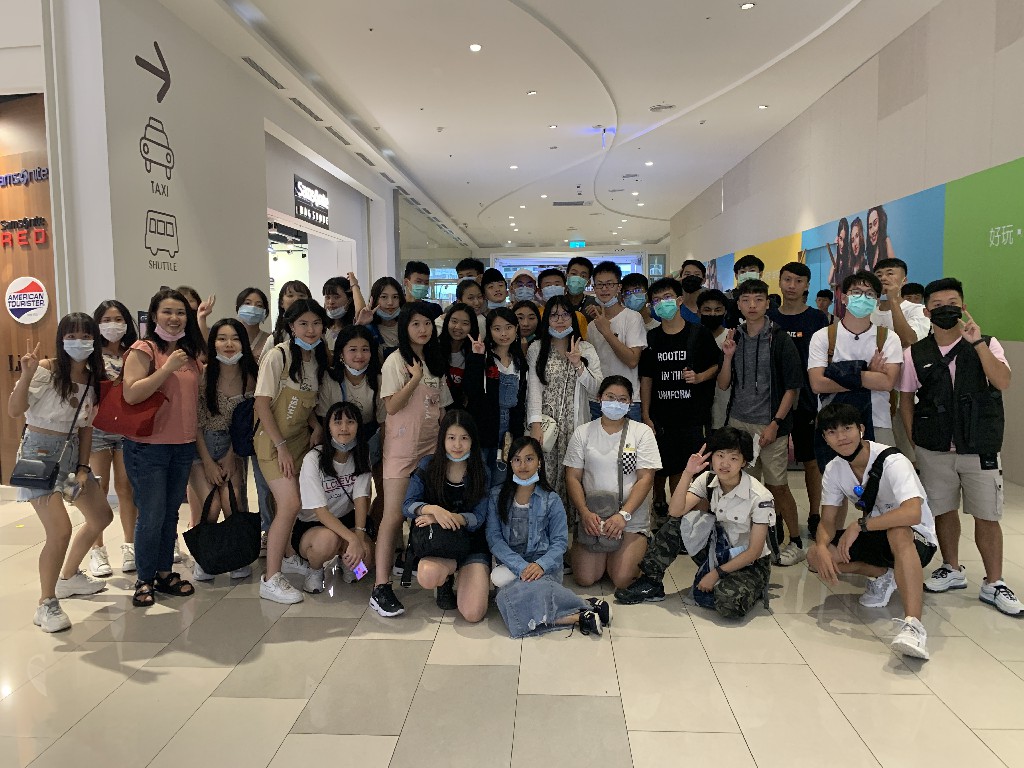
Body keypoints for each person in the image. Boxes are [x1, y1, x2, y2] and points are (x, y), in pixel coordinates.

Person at [899, 278, 1019, 616]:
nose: (945, 309)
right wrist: (916, 440)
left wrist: (976, 342)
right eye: (937, 305)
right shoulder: (915, 353)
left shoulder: (987, 343)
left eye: (952, 303)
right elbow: (906, 400)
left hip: (979, 445)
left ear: (963, 307)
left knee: (987, 515)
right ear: (927, 312)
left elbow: (1002, 381)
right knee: (943, 510)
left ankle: (994, 581)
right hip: (934, 448)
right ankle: (951, 568)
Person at [9, 315, 113, 631]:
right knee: (60, 530)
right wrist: (26, 375)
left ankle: (68, 577)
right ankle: (46, 604)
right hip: (38, 457)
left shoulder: (92, 378)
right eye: (71, 336)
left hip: (70, 457)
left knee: (101, 516)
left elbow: (85, 427)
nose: (79, 342)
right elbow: (14, 410)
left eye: (86, 336)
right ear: (61, 339)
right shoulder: (44, 369)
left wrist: (83, 467)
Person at [809, 403, 938, 660]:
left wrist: (860, 525)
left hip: (917, 539)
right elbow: (827, 521)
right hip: (876, 535)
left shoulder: (893, 462)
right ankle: (884, 575)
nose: (841, 437)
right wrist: (822, 546)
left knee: (897, 531)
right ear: (825, 437)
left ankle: (914, 626)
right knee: (814, 556)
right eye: (832, 432)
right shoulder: (834, 469)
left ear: (861, 429)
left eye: (847, 429)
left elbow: (912, 513)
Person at [615, 428, 774, 620]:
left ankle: (748, 588)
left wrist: (716, 574)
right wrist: (687, 473)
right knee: (675, 524)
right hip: (716, 550)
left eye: (733, 458)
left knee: (729, 604)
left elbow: (754, 551)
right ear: (712, 457)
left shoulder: (759, 496)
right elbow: (675, 511)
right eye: (720, 455)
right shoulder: (707, 480)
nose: (724, 463)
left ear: (744, 462)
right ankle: (651, 582)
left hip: (749, 563)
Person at [121, 288, 203, 608]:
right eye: (167, 312)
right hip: (148, 447)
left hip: (182, 446)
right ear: (154, 315)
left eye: (180, 313)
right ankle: (144, 578)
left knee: (170, 514)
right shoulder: (144, 349)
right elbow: (131, 394)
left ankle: (164, 572)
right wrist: (167, 368)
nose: (174, 318)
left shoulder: (188, 352)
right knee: (151, 515)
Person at [371, 302, 453, 618]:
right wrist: (414, 379)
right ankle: (380, 586)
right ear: (405, 327)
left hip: (431, 449)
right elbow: (391, 407)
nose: (422, 329)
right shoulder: (396, 361)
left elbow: (441, 408)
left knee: (433, 512)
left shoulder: (435, 360)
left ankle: (442, 577)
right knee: (393, 516)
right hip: (401, 450)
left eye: (427, 324)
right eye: (415, 324)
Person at [718, 278, 805, 565]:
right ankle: (752, 542)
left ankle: (795, 540)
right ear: (738, 304)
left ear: (768, 303)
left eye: (758, 299)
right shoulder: (734, 337)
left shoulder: (780, 339)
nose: (752, 305)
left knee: (778, 486)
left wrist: (776, 423)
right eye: (746, 300)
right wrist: (727, 357)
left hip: (769, 425)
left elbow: (792, 388)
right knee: (744, 486)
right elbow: (723, 384)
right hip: (738, 422)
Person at [486, 437, 609, 637]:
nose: (522, 465)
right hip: (511, 567)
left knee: (523, 594)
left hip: (545, 567)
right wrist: (521, 566)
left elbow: (560, 542)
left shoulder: (551, 500)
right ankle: (582, 612)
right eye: (517, 459)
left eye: (529, 459)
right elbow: (494, 539)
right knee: (506, 597)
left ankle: (580, 611)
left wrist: (540, 565)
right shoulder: (496, 496)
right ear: (510, 463)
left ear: (539, 462)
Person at [255, 299, 330, 605]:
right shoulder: (278, 355)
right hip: (272, 443)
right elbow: (262, 404)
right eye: (303, 324)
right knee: (290, 504)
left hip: (300, 440)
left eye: (316, 323)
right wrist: (281, 446)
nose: (310, 330)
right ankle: (270, 578)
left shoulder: (317, 358)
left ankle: (287, 557)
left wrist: (315, 426)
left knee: (288, 506)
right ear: (291, 326)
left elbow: (306, 403)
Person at [565, 376, 661, 588]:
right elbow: (572, 477)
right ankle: (602, 554)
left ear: (630, 403)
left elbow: (646, 479)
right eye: (610, 397)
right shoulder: (583, 432)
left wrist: (623, 515)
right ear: (599, 398)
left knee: (622, 579)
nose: (616, 403)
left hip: (629, 515)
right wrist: (584, 512)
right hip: (594, 514)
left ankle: (635, 545)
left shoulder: (641, 432)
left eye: (622, 399)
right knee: (585, 578)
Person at [641, 277, 721, 525]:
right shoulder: (652, 338)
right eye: (656, 300)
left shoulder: (698, 333)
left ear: (678, 300)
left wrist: (699, 377)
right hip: (660, 416)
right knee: (659, 466)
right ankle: (659, 504)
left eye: (667, 298)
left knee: (684, 468)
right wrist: (646, 415)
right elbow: (646, 378)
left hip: (691, 416)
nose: (662, 304)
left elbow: (715, 365)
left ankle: (679, 515)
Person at [808, 271, 903, 468]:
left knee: (881, 480)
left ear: (877, 301)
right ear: (844, 298)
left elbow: (887, 383)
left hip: (877, 421)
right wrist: (869, 373)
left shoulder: (888, 338)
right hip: (834, 425)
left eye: (870, 294)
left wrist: (838, 373)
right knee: (836, 482)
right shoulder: (823, 336)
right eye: (856, 292)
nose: (863, 297)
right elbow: (817, 384)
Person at [402, 410, 491, 619]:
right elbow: (406, 505)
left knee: (473, 613)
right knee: (427, 575)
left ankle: (465, 573)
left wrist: (446, 518)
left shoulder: (481, 471)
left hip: (472, 543)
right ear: (442, 439)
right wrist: (433, 510)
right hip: (441, 544)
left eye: (464, 438)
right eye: (451, 438)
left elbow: (479, 518)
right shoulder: (428, 465)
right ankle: (446, 580)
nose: (457, 445)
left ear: (472, 441)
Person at [189, 319, 258, 582]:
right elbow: (195, 424)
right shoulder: (202, 375)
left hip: (233, 447)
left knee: (232, 502)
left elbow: (248, 423)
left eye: (235, 338)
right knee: (211, 505)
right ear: (213, 343)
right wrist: (207, 462)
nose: (229, 344)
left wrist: (231, 456)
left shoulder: (251, 377)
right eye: (221, 338)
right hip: (201, 449)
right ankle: (204, 558)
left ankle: (237, 556)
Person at [526, 295, 602, 525]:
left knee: (574, 479)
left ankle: (571, 533)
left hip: (575, 426)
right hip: (546, 428)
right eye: (554, 315)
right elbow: (533, 390)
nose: (560, 320)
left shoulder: (586, 348)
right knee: (545, 477)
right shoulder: (537, 347)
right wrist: (535, 425)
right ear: (546, 320)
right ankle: (545, 529)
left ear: (573, 318)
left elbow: (597, 389)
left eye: (565, 314)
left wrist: (579, 364)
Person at [768, 262, 830, 538]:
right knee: (775, 463)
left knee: (810, 460)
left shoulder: (818, 319)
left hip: (808, 400)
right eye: (787, 279)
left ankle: (815, 514)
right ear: (780, 282)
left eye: (798, 281)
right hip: (775, 400)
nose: (792, 286)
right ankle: (777, 515)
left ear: (807, 285)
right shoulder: (769, 317)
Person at [296, 402, 373, 593]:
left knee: (365, 565)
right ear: (328, 427)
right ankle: (315, 570)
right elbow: (320, 512)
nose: (344, 428)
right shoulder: (313, 459)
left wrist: (358, 538)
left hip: (346, 520)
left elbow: (361, 499)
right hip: (312, 525)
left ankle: (346, 562)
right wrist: (352, 539)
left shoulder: (362, 455)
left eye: (350, 422)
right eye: (337, 422)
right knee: (327, 540)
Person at [87, 300, 139, 576]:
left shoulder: (134, 353)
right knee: (98, 488)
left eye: (118, 319)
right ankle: (97, 549)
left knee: (125, 487)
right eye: (106, 320)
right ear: (97, 324)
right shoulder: (90, 355)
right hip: (97, 429)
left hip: (126, 429)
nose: (113, 325)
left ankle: (130, 545)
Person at [318, 324, 384, 527]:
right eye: (352, 349)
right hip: (337, 442)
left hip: (370, 439)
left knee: (381, 492)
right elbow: (324, 419)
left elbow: (384, 422)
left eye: (365, 349)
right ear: (341, 353)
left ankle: (367, 530)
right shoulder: (329, 379)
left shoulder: (378, 380)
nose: (359, 356)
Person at [464, 308, 528, 482]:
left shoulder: (519, 362)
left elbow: (520, 401)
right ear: (489, 331)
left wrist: (518, 435)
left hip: (509, 429)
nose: (503, 334)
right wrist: (477, 358)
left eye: (508, 327)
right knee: (480, 477)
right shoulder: (483, 356)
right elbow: (471, 391)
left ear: (516, 329)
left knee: (502, 477)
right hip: (484, 427)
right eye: (497, 329)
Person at [583, 261, 647, 421]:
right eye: (599, 285)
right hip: (597, 399)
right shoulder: (591, 326)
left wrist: (607, 332)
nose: (604, 289)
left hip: (627, 398)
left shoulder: (632, 317)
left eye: (610, 284)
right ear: (594, 288)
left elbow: (632, 360)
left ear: (619, 287)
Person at [871, 258, 930, 349]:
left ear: (904, 280)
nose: (883, 278)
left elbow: (908, 342)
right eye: (879, 275)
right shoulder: (869, 311)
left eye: (890, 274)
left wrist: (893, 300)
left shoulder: (918, 309)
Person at [697, 289, 730, 430]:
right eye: (707, 310)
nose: (712, 314)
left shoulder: (732, 337)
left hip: (726, 406)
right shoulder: (692, 337)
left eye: (717, 310)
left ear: (725, 312)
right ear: (698, 312)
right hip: (699, 407)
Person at [438, 301, 478, 409]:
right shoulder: (435, 348)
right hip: (438, 409)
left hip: (463, 411)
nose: (458, 327)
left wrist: (477, 357)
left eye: (465, 323)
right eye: (454, 321)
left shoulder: (475, 352)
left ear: (472, 326)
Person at [362, 276, 406, 362]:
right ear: (374, 300)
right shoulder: (369, 329)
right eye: (384, 297)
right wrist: (360, 325)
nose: (390, 303)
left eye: (395, 297)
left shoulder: (408, 325)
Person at [537, 268, 589, 338]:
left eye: (557, 284)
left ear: (565, 289)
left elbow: (583, 340)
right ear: (540, 292)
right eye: (548, 285)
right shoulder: (535, 316)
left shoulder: (578, 317)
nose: (553, 288)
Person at [322, 273, 366, 349]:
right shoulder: (322, 325)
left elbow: (361, 312)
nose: (331, 302)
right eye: (327, 297)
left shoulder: (355, 324)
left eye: (336, 297)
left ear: (349, 300)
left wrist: (354, 285)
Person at [724, 255, 764, 327]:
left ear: (760, 274)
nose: (747, 274)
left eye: (752, 271)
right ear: (736, 276)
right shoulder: (726, 299)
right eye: (742, 272)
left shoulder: (767, 301)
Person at [235, 287, 273, 360]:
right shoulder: (230, 338)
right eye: (247, 303)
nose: (253, 308)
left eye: (259, 305)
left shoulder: (270, 340)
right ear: (238, 308)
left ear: (265, 312)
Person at [866, 205, 896, 271]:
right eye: (870, 227)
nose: (872, 231)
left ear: (881, 223)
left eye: (875, 223)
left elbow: (896, 270)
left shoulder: (886, 241)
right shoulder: (871, 254)